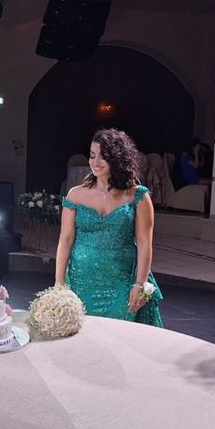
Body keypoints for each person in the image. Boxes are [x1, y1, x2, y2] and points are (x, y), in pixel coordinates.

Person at [55, 128, 163, 327]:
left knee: (119, 334)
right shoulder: (75, 195)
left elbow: (144, 242)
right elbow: (66, 240)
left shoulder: (138, 196)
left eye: (103, 157)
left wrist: (140, 283)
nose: (95, 162)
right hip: (81, 281)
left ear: (117, 158)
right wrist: (59, 284)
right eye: (92, 156)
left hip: (122, 281)